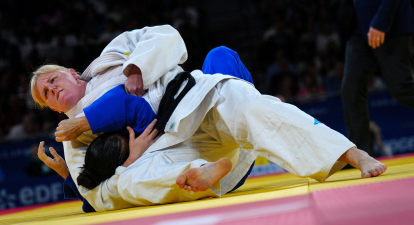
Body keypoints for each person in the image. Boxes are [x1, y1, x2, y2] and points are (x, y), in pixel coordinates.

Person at [32, 25, 386, 212]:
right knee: (126, 184)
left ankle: (351, 154)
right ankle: (192, 177)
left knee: (244, 103)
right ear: (53, 109)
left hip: (193, 99)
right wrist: (130, 159)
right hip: (168, 150)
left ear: (72, 72)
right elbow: (96, 193)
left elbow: (165, 34)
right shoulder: (72, 134)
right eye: (45, 95)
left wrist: (137, 67)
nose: (52, 90)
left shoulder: (112, 56)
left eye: (52, 80)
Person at [342, 0, 414, 155]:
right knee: (351, 89)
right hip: (359, 27)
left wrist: (382, 21)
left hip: (389, 24)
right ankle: (360, 155)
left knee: (402, 88)